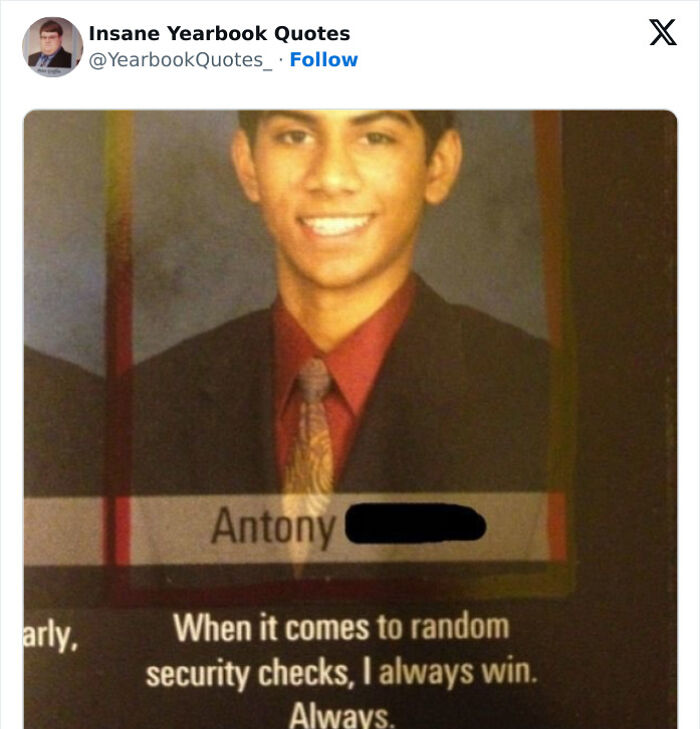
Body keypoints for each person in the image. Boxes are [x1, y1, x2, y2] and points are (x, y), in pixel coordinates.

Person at [129, 111, 550, 500]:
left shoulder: (545, 399)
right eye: (295, 136)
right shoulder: (144, 407)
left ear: (438, 165)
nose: (330, 177)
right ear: (247, 165)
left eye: (375, 137)